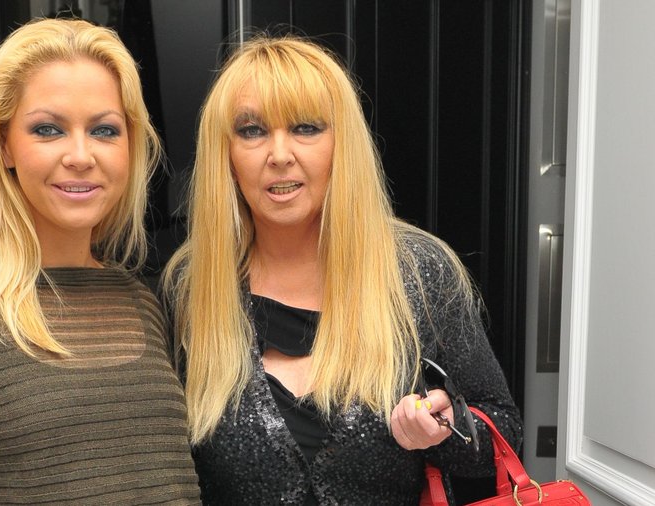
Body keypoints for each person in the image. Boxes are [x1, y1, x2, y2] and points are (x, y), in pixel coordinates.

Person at [161, 35, 522, 504]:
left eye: (306, 127)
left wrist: (445, 427)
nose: (279, 154)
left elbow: (503, 431)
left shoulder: (418, 272)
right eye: (252, 130)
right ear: (224, 155)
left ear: (342, 145)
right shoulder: (190, 287)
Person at [0, 18, 200, 504]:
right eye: (48, 129)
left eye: (104, 130)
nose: (81, 155)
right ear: (4, 143)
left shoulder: (144, 304)